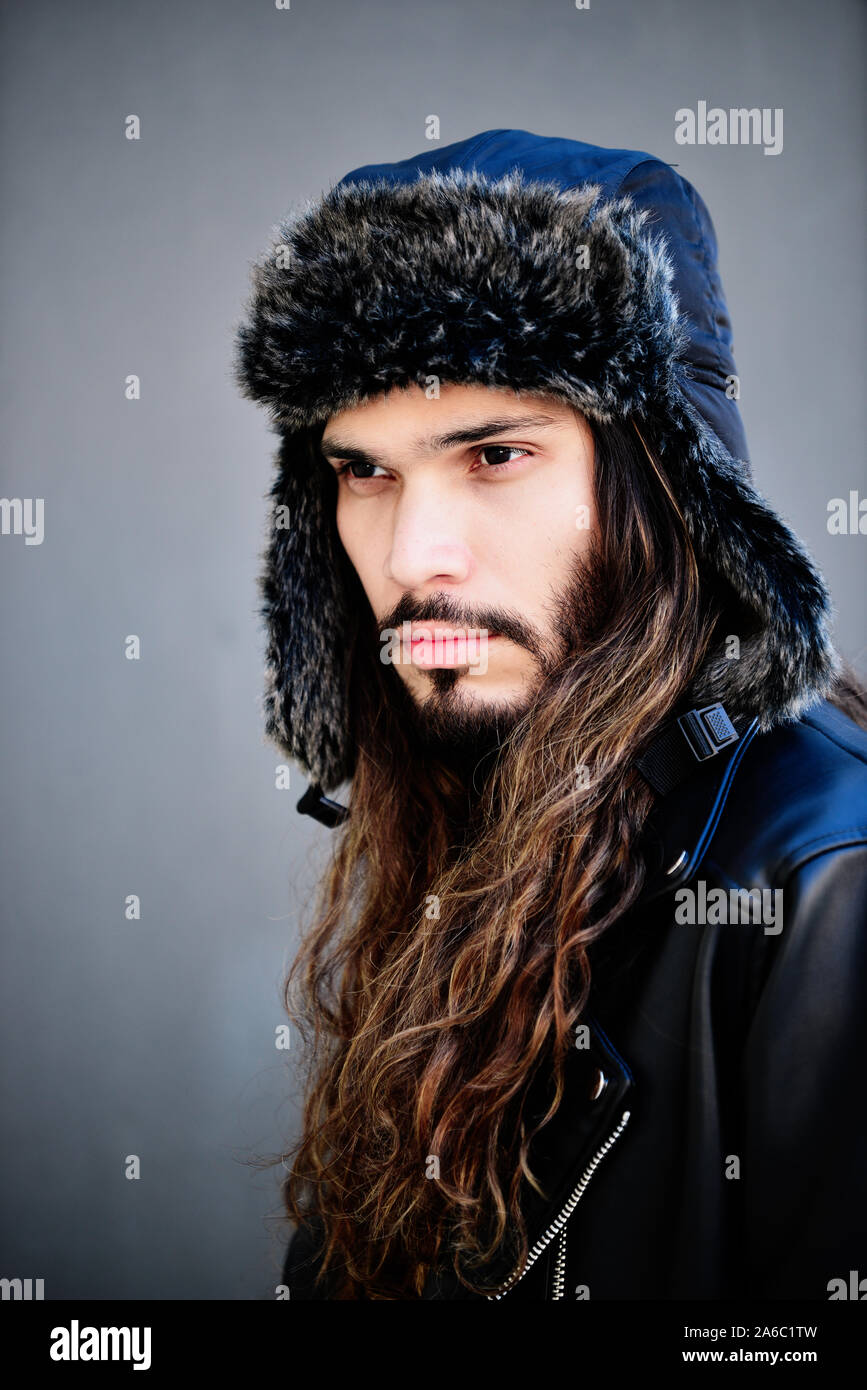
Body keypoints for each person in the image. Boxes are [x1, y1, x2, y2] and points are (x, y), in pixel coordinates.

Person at [233, 128, 867, 1301]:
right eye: (364, 472)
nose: (416, 557)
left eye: (496, 454)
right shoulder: (475, 792)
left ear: (660, 484)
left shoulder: (831, 883)